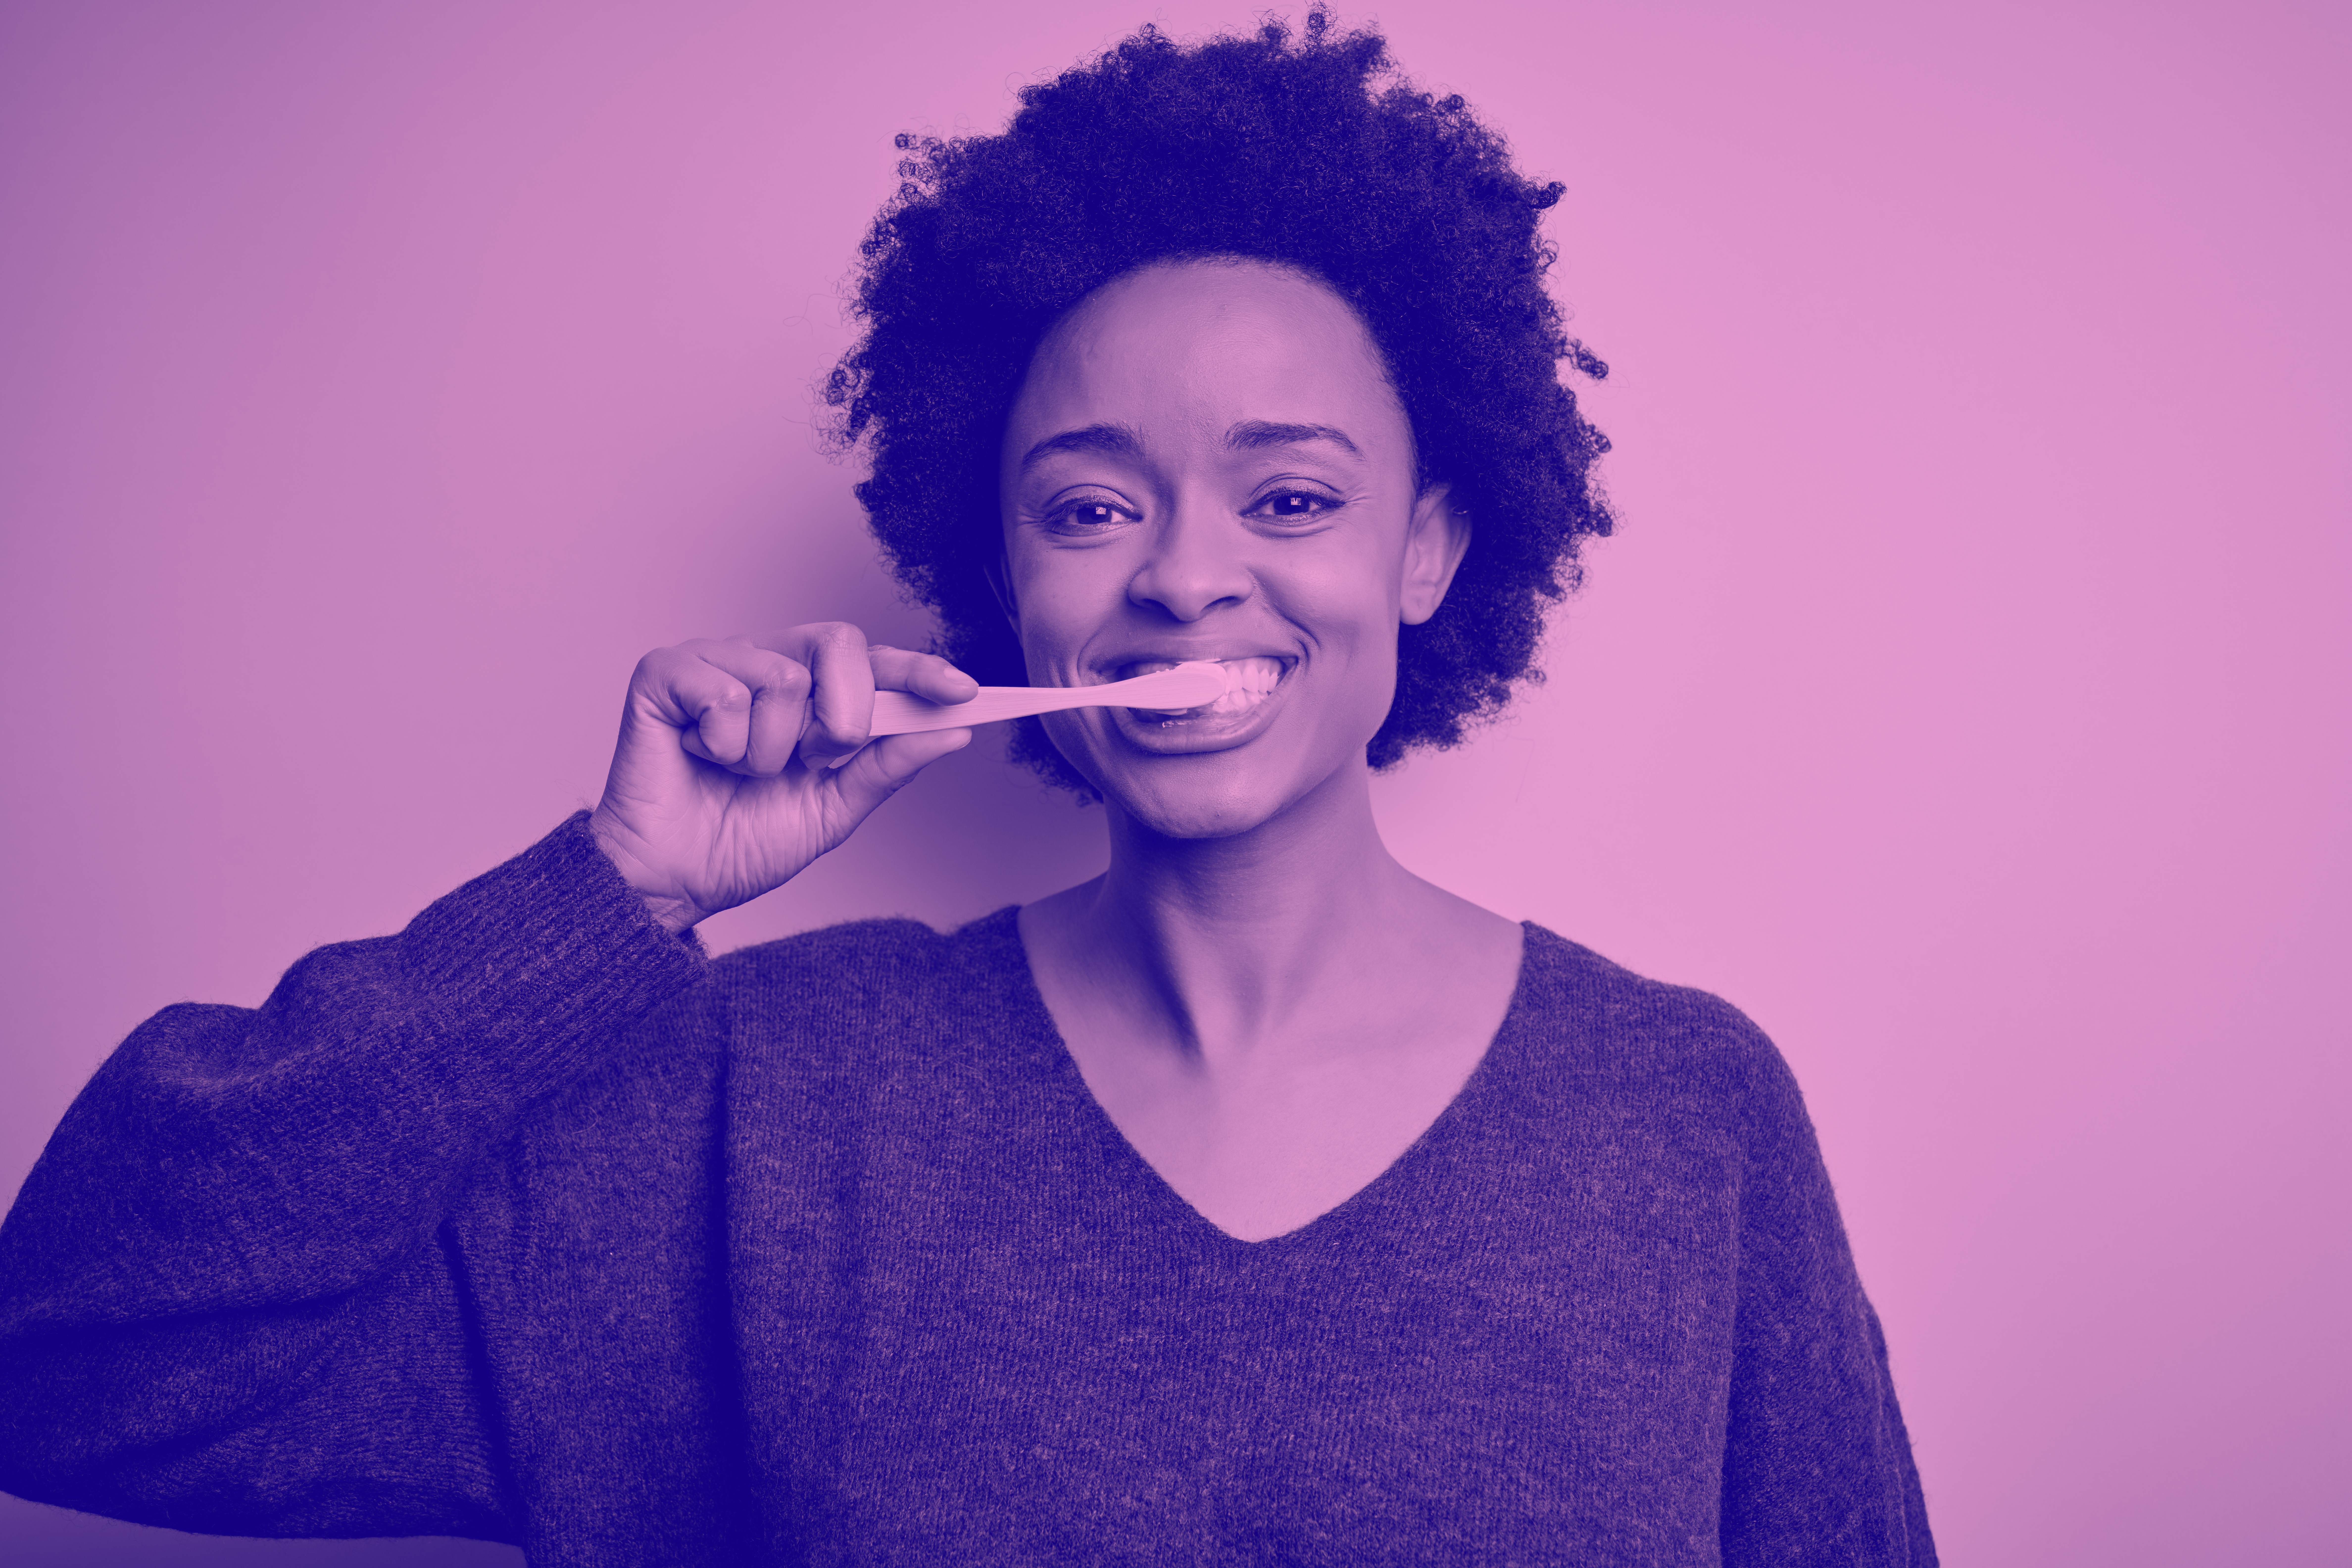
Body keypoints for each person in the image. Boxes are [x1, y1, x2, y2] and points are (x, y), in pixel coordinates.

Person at [0, 12, 1935, 1564]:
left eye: (1291, 497)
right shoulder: (760, 1105)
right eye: (1094, 505)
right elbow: (75, 1360)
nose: (1185, 574)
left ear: (1429, 548)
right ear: (1004, 571)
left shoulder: (1685, 1115)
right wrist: (606, 899)